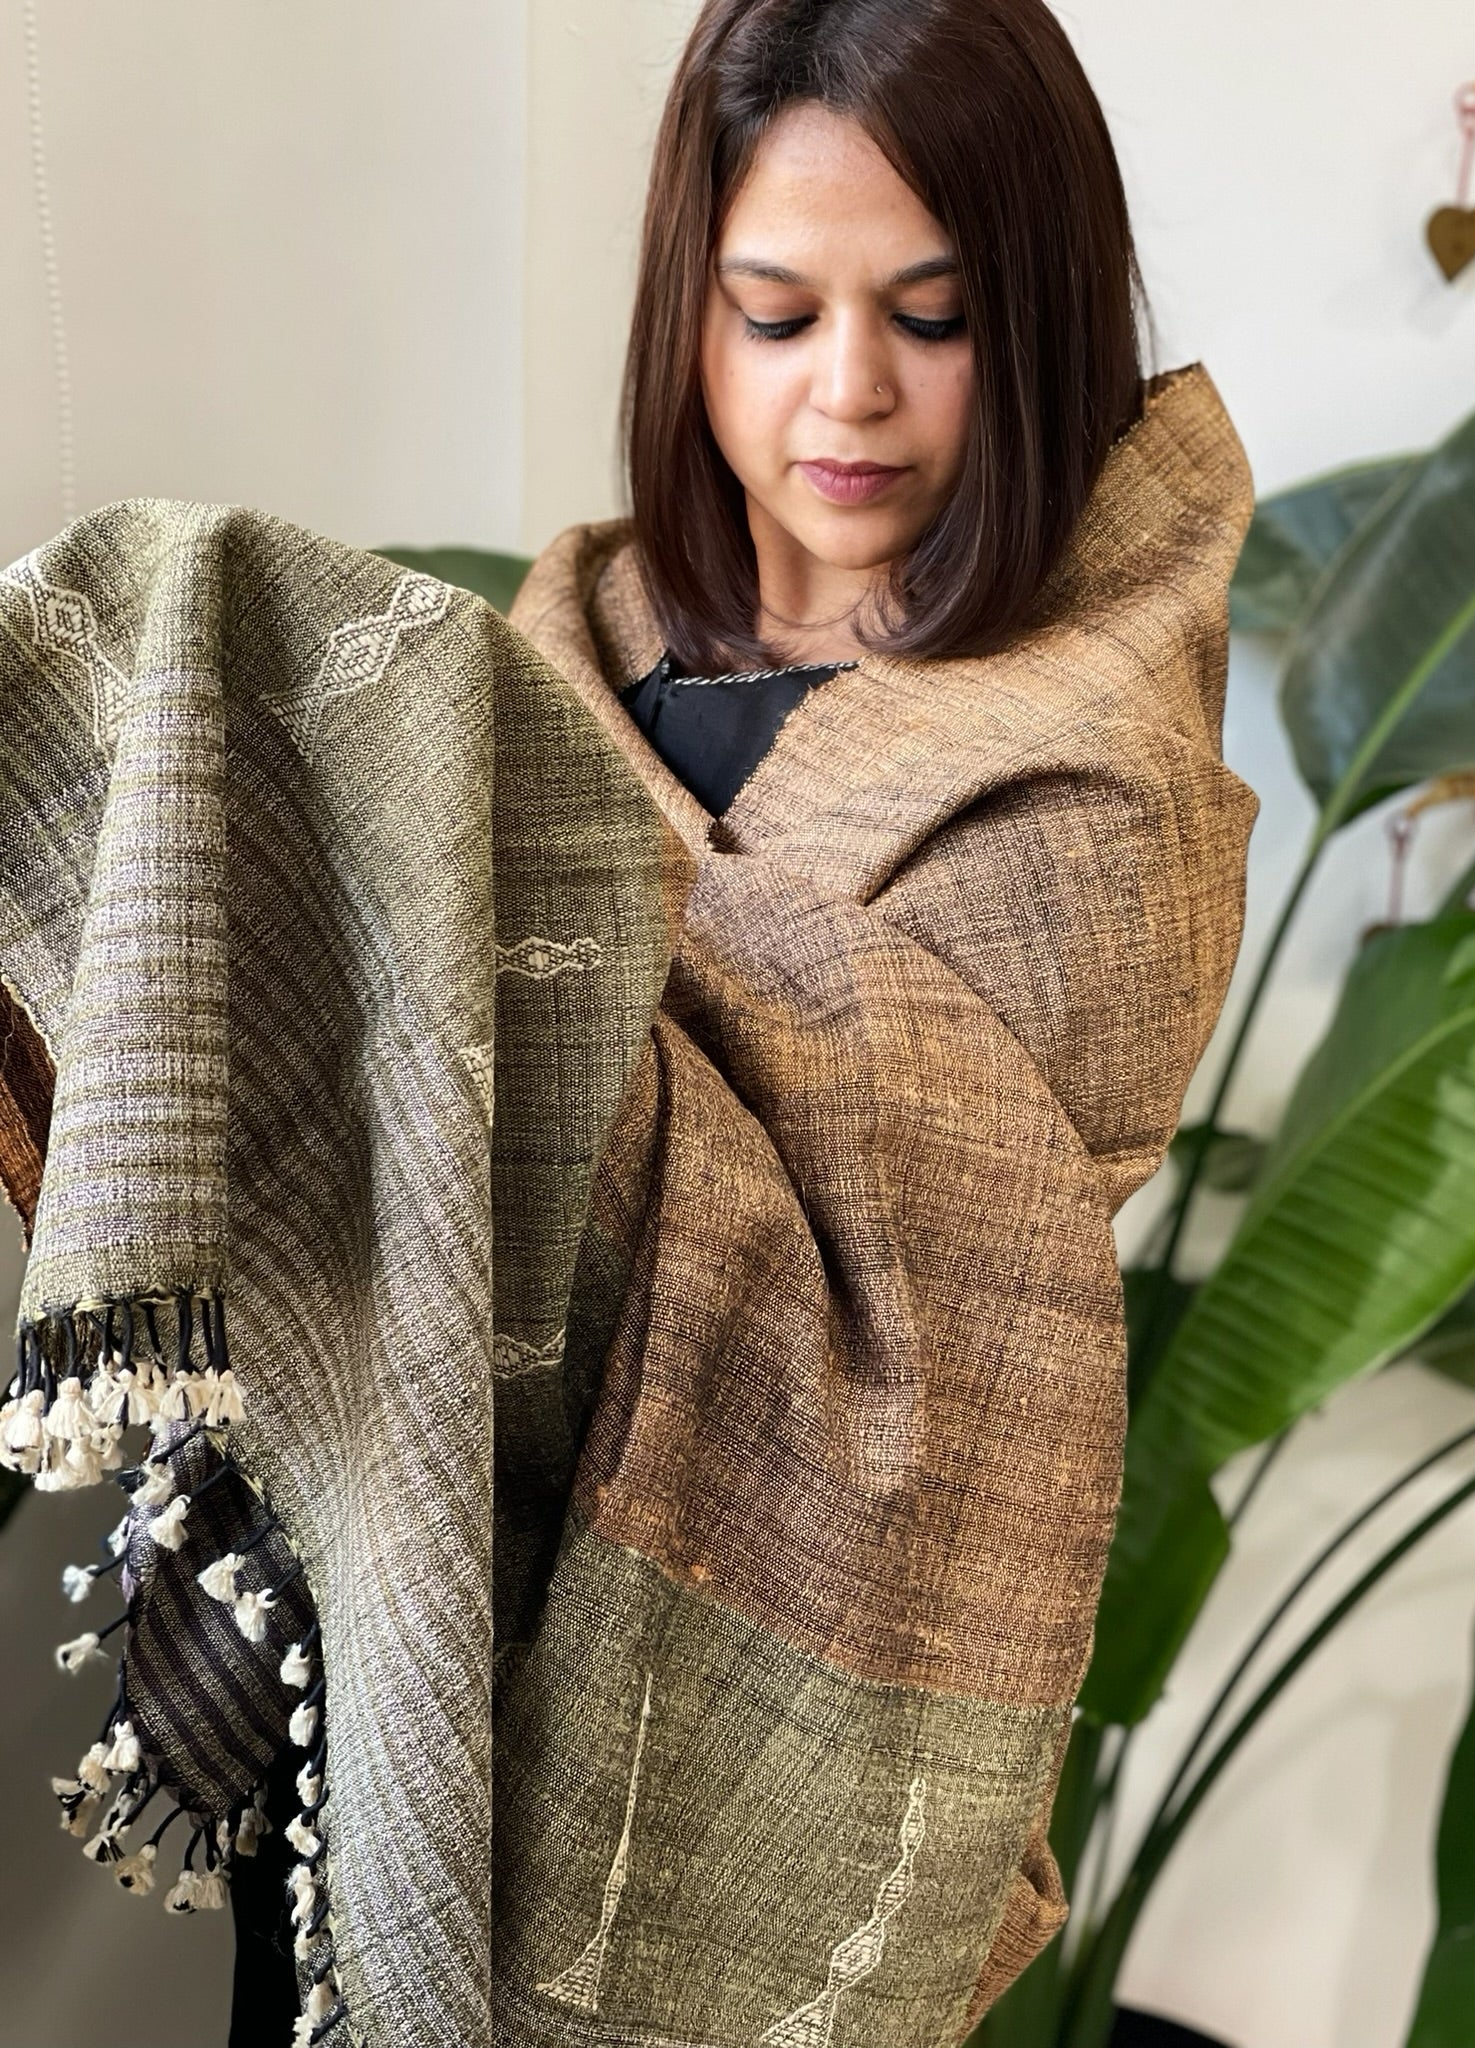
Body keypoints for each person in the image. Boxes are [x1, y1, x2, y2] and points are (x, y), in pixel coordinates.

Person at [3, 3, 1257, 2043]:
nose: (845, 391)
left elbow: (874, 1249)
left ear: (1033, 325)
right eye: (775, 312)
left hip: (754, 1759)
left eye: (928, 317)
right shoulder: (549, 656)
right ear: (691, 314)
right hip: (374, 1648)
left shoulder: (1092, 786)